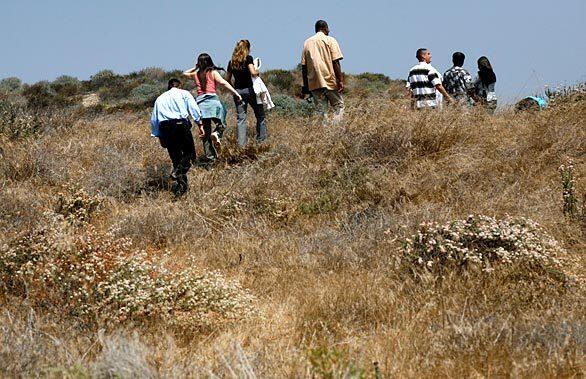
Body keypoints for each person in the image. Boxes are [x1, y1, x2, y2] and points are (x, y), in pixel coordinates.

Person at [184, 54, 242, 163]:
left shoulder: (195, 74)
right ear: (210, 61)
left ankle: (211, 160)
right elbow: (224, 83)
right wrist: (236, 93)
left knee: (205, 134)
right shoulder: (213, 72)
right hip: (213, 102)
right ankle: (217, 133)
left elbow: (184, 73)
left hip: (201, 105)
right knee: (222, 122)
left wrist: (196, 67)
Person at [150, 78, 203, 196]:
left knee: (176, 158)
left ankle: (182, 189)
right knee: (190, 154)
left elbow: (154, 119)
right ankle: (178, 173)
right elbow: (194, 109)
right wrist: (200, 124)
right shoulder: (184, 93)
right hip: (180, 124)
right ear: (180, 85)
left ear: (168, 87)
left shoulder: (160, 98)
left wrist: (158, 135)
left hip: (165, 128)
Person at [301, 20, 345, 124]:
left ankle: (324, 133)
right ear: (325, 28)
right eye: (328, 28)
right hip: (329, 79)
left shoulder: (307, 42)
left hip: (314, 82)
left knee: (321, 111)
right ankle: (335, 129)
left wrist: (306, 85)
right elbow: (335, 61)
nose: (329, 30)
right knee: (339, 106)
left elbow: (304, 66)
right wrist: (340, 80)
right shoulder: (330, 40)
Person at [226, 40, 267, 146]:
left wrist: (233, 90)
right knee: (260, 116)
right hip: (250, 90)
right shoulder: (248, 58)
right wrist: (258, 71)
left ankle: (241, 146)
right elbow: (253, 73)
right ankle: (261, 142)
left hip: (238, 92)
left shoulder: (231, 62)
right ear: (247, 48)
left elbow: (227, 79)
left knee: (241, 119)